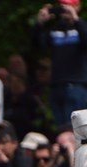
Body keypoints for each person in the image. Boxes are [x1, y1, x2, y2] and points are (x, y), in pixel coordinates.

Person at [32, 0, 87, 129]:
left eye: (69, 6)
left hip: (76, 85)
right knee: (61, 129)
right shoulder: (55, 29)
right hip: (57, 86)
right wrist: (39, 23)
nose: (65, 9)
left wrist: (76, 19)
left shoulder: (81, 28)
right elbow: (37, 44)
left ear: (77, 7)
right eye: (63, 6)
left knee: (76, 129)